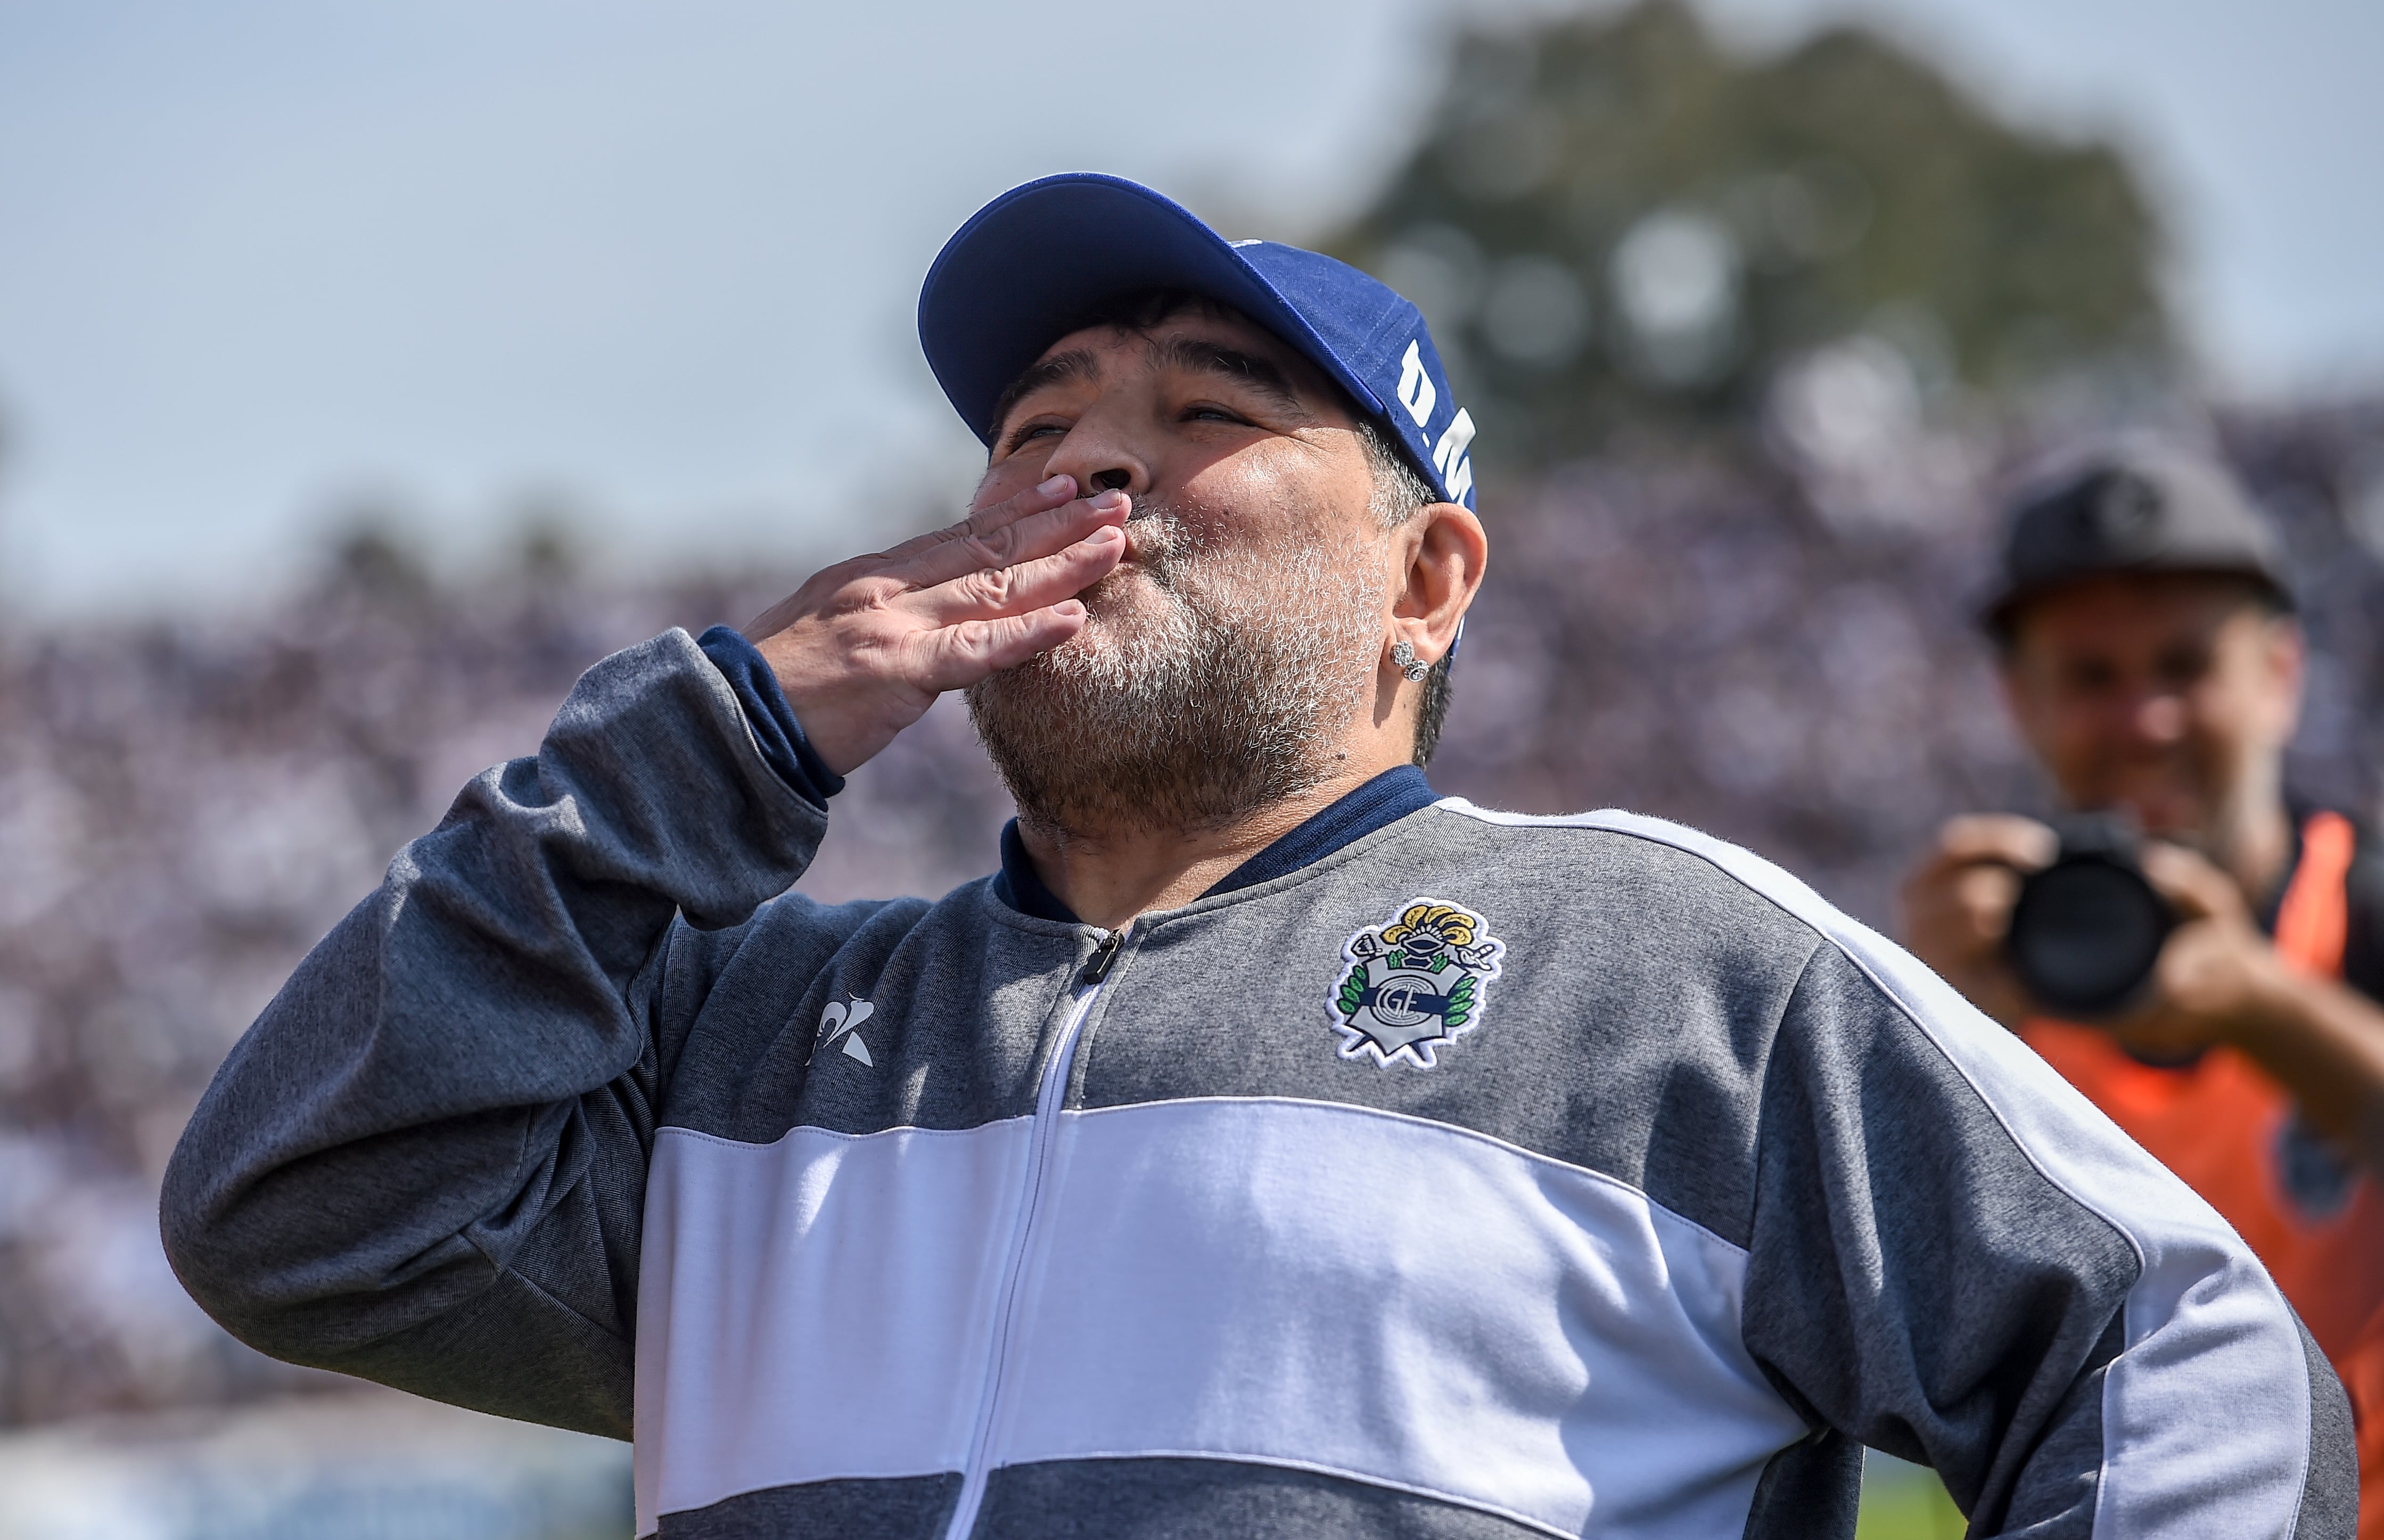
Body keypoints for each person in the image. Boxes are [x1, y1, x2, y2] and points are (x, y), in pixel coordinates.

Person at [164, 175, 2348, 1540]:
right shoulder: (757, 1039)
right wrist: (716, 735)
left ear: (1427, 581)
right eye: (1036, 428)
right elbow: (302, 1211)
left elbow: (2186, 1359)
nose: (1091, 456)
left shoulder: (1656, 958)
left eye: (1205, 414)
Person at [1901, 439, 2384, 1531]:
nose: (2146, 720)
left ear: (2278, 675)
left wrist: (2265, 1006)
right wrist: (1912, 1031)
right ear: (2018, 699)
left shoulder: (2359, 916)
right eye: (2091, 677)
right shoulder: (1978, 975)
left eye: (2183, 666)